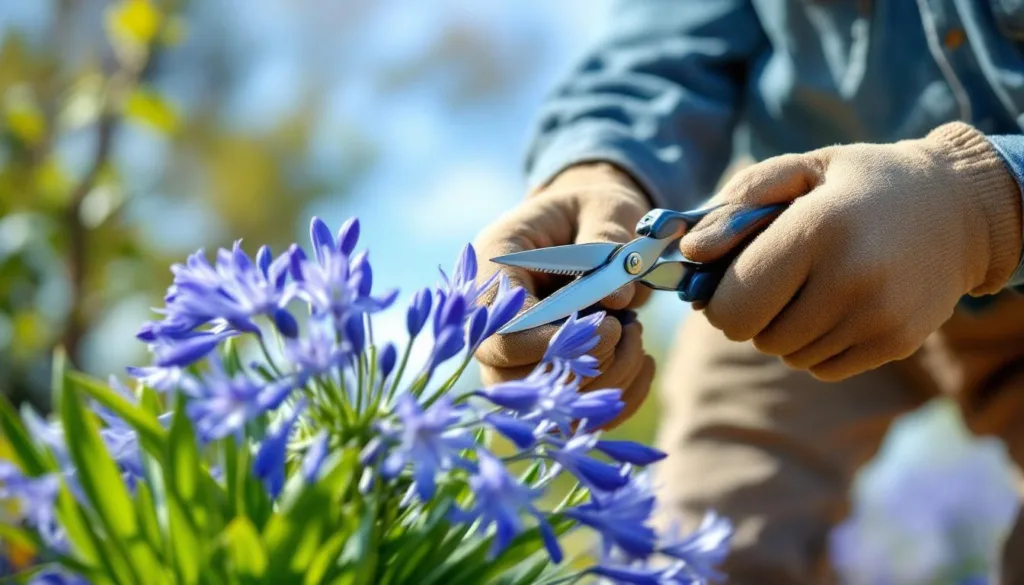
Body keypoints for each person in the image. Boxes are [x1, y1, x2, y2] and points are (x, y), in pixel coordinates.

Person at [471, 1, 1024, 583]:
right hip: (781, 259)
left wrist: (989, 205)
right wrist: (598, 168)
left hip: (910, 215)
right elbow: (662, 44)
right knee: (698, 555)